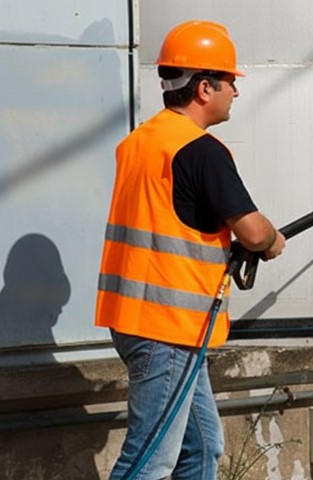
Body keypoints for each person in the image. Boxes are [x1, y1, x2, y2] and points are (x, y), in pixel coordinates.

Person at [95, 19, 286, 480]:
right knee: (148, 462)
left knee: (203, 448)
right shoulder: (201, 151)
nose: (235, 93)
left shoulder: (138, 143)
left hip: (140, 321)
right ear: (205, 87)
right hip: (168, 327)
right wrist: (272, 240)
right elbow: (255, 233)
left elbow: (172, 218)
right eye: (230, 83)